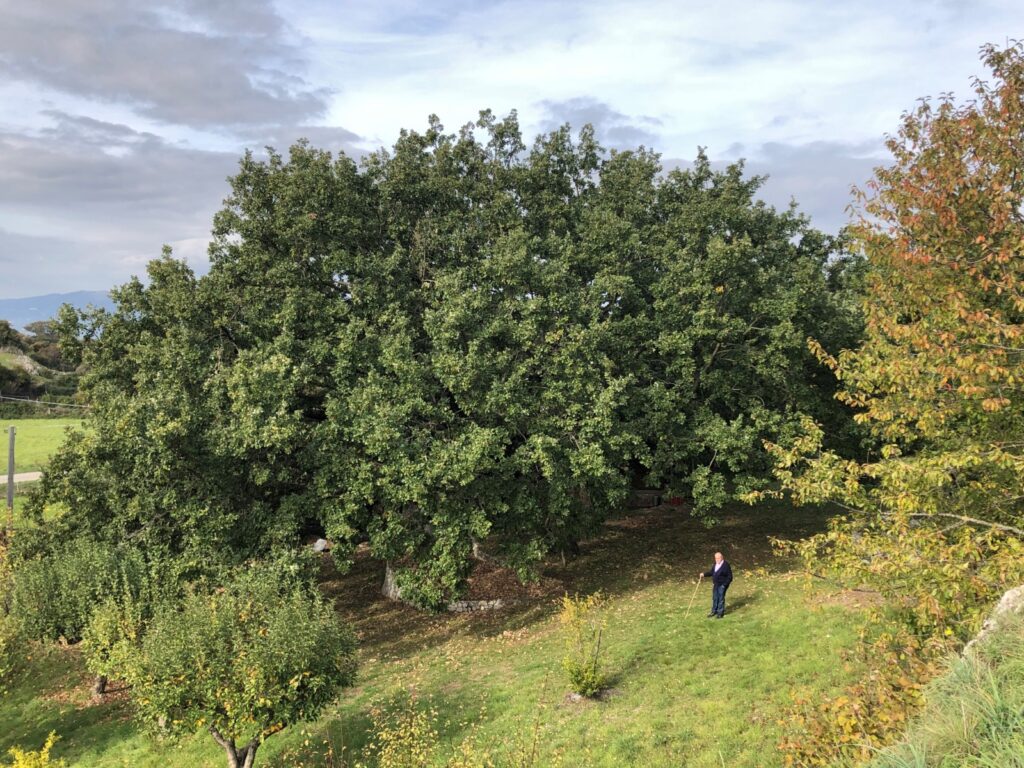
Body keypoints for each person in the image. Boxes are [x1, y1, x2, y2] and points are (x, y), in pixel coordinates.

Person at [700, 551, 733, 618]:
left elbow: (730, 577)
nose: (717, 559)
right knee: (715, 598)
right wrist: (704, 574)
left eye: (718, 558)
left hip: (722, 585)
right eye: (716, 558)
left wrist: (724, 585)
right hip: (716, 584)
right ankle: (714, 611)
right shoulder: (715, 564)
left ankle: (720, 613)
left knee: (720, 598)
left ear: (722, 557)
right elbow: (712, 572)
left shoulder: (726, 565)